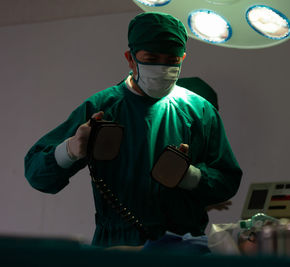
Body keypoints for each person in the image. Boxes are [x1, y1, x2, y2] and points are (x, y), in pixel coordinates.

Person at [24, 12, 242, 248]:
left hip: (181, 249)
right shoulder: (102, 107)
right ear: (130, 58)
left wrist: (190, 176)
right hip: (116, 247)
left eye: (172, 60)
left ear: (183, 58)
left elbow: (227, 181)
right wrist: (69, 150)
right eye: (151, 58)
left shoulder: (200, 111)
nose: (162, 67)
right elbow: (37, 175)